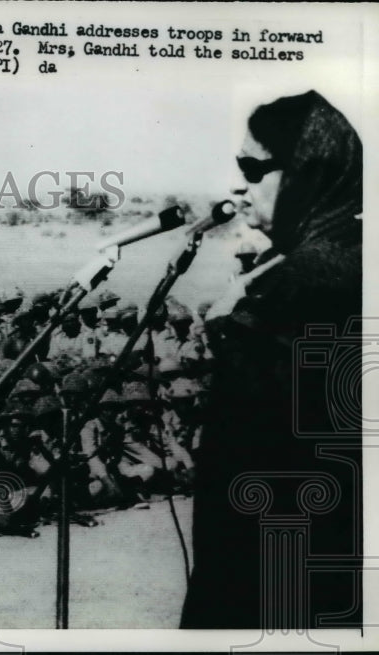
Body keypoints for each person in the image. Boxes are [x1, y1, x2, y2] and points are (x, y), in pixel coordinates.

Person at [181, 91, 362, 629]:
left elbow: (257, 444)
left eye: (254, 168)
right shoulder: (346, 260)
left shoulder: (303, 283)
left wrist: (235, 321)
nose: (240, 185)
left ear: (308, 173)